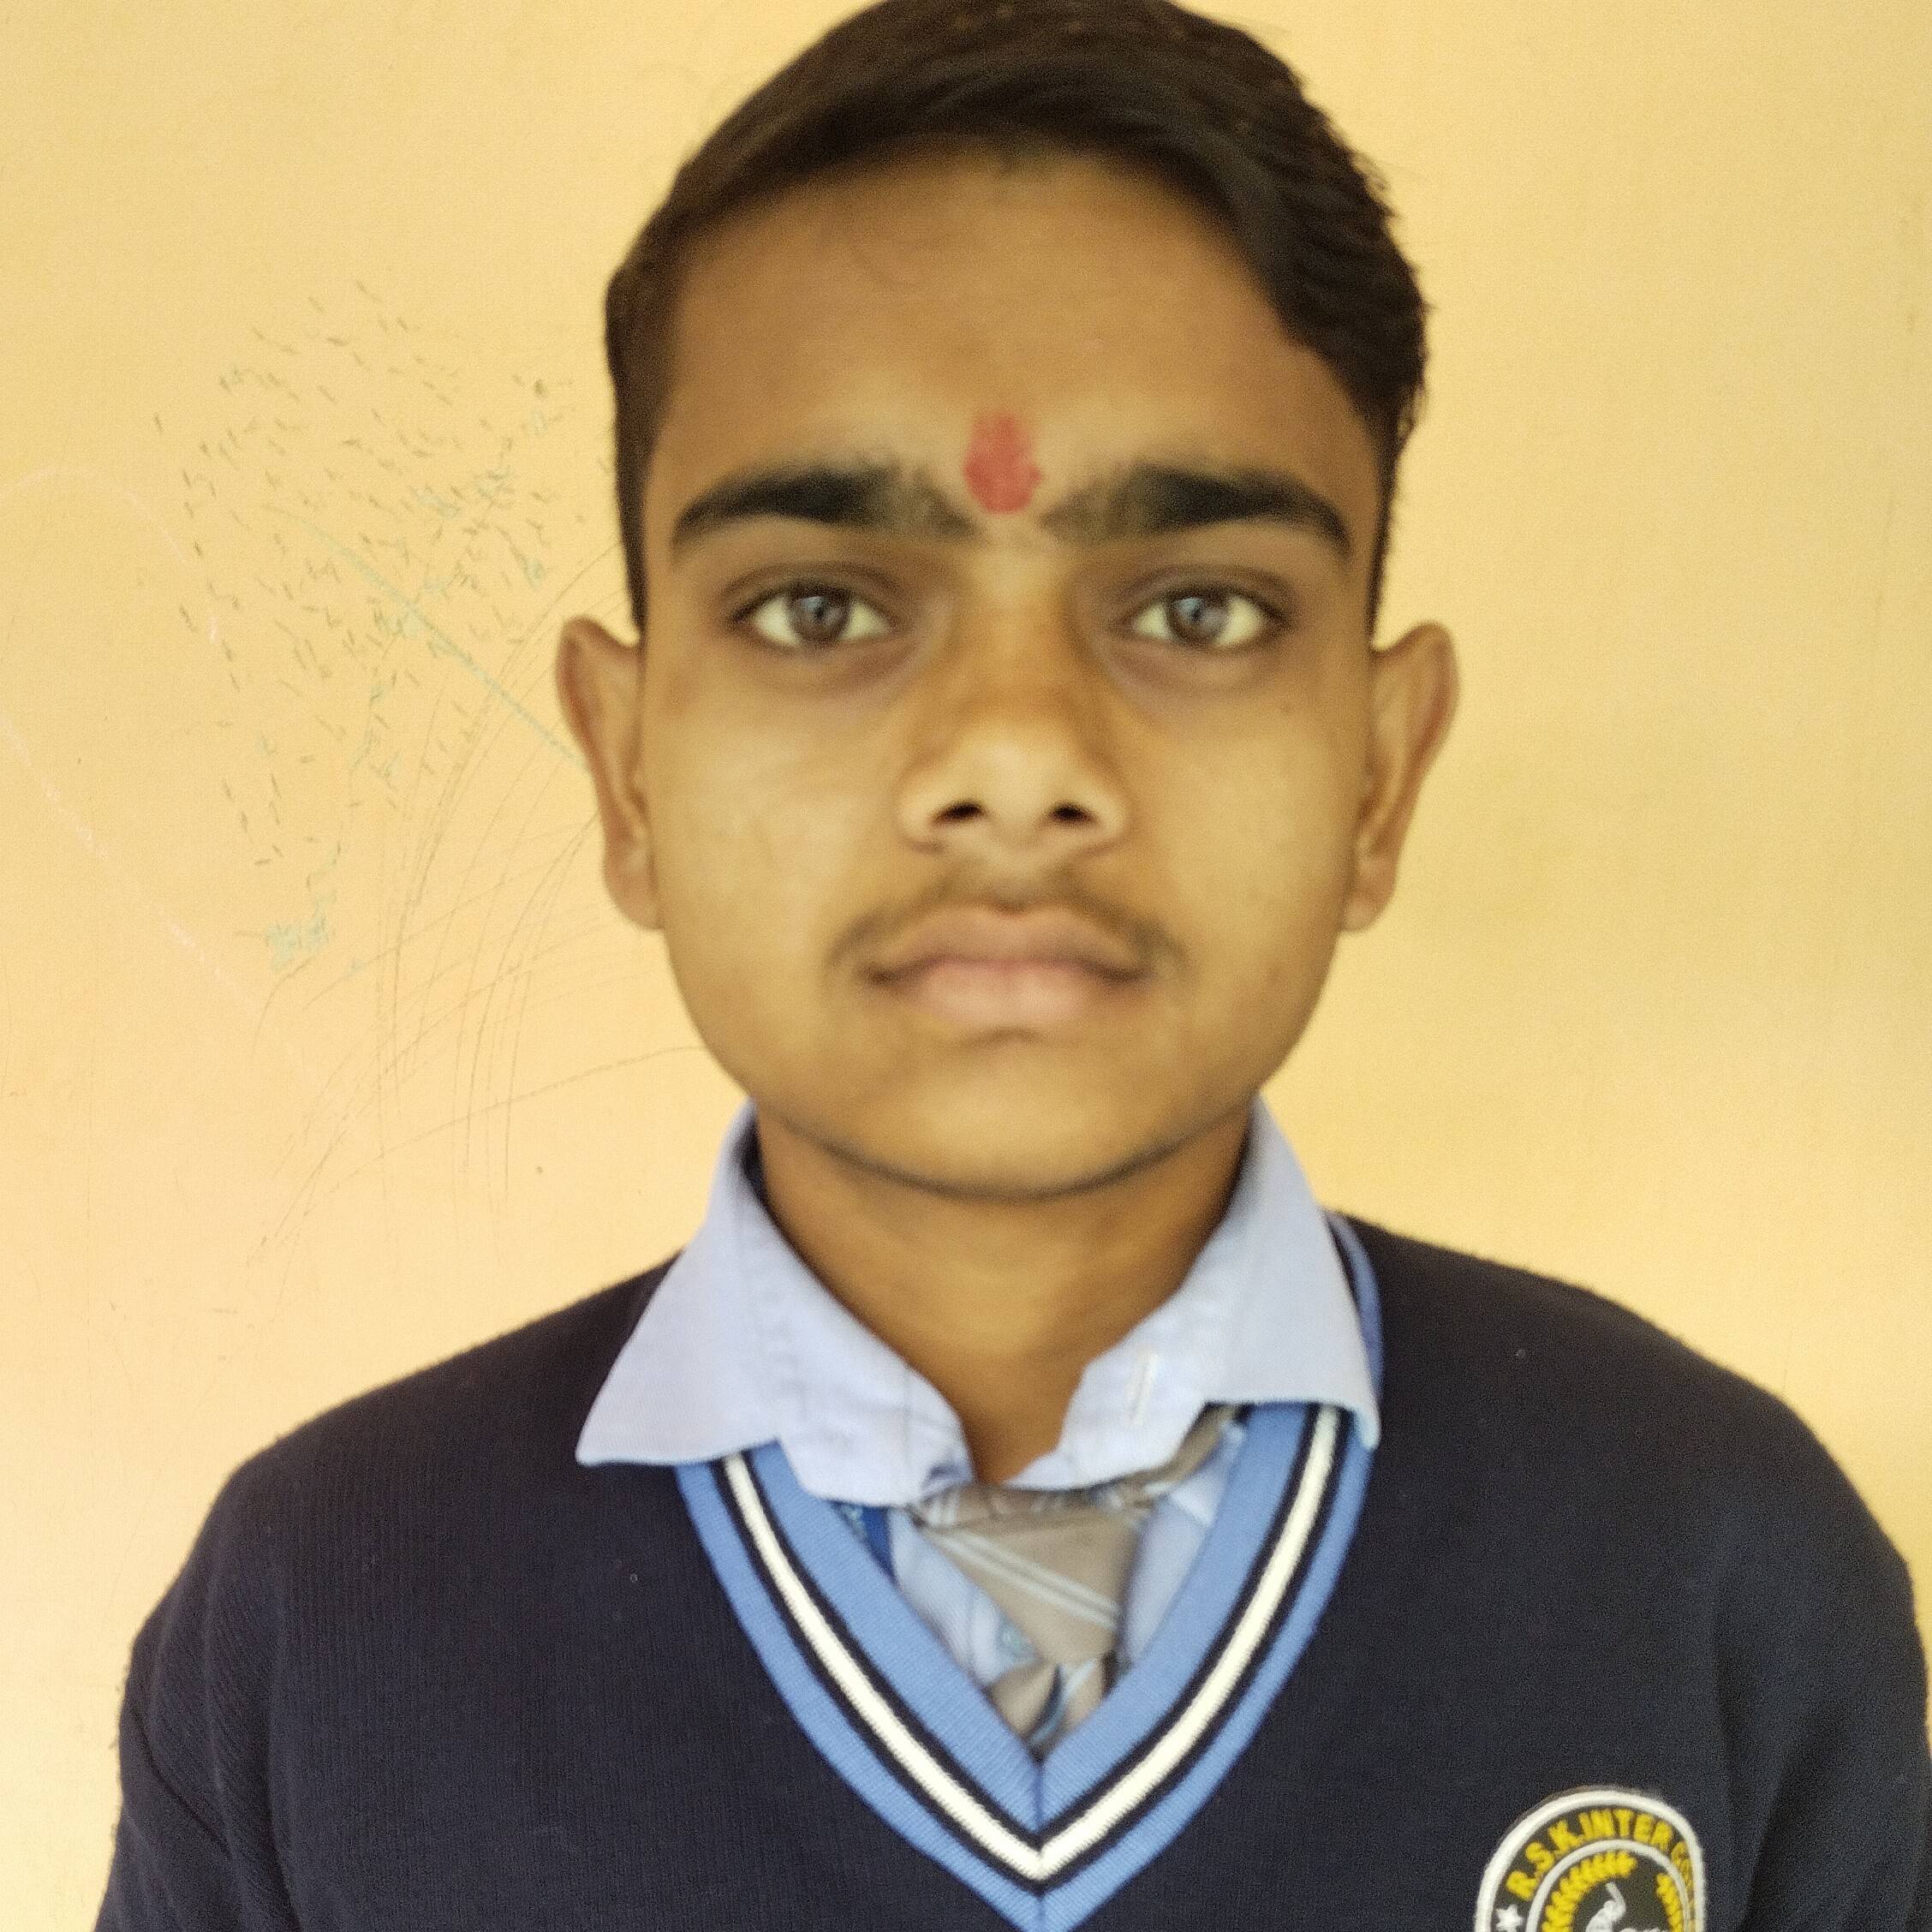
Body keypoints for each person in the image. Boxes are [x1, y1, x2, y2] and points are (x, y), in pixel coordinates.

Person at [96, 0, 1929, 1926]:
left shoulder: (1711, 1564)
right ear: (628, 773)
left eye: (1199, 609)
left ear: (1381, 776)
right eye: (819, 608)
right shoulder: (321, 1617)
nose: (1016, 755)